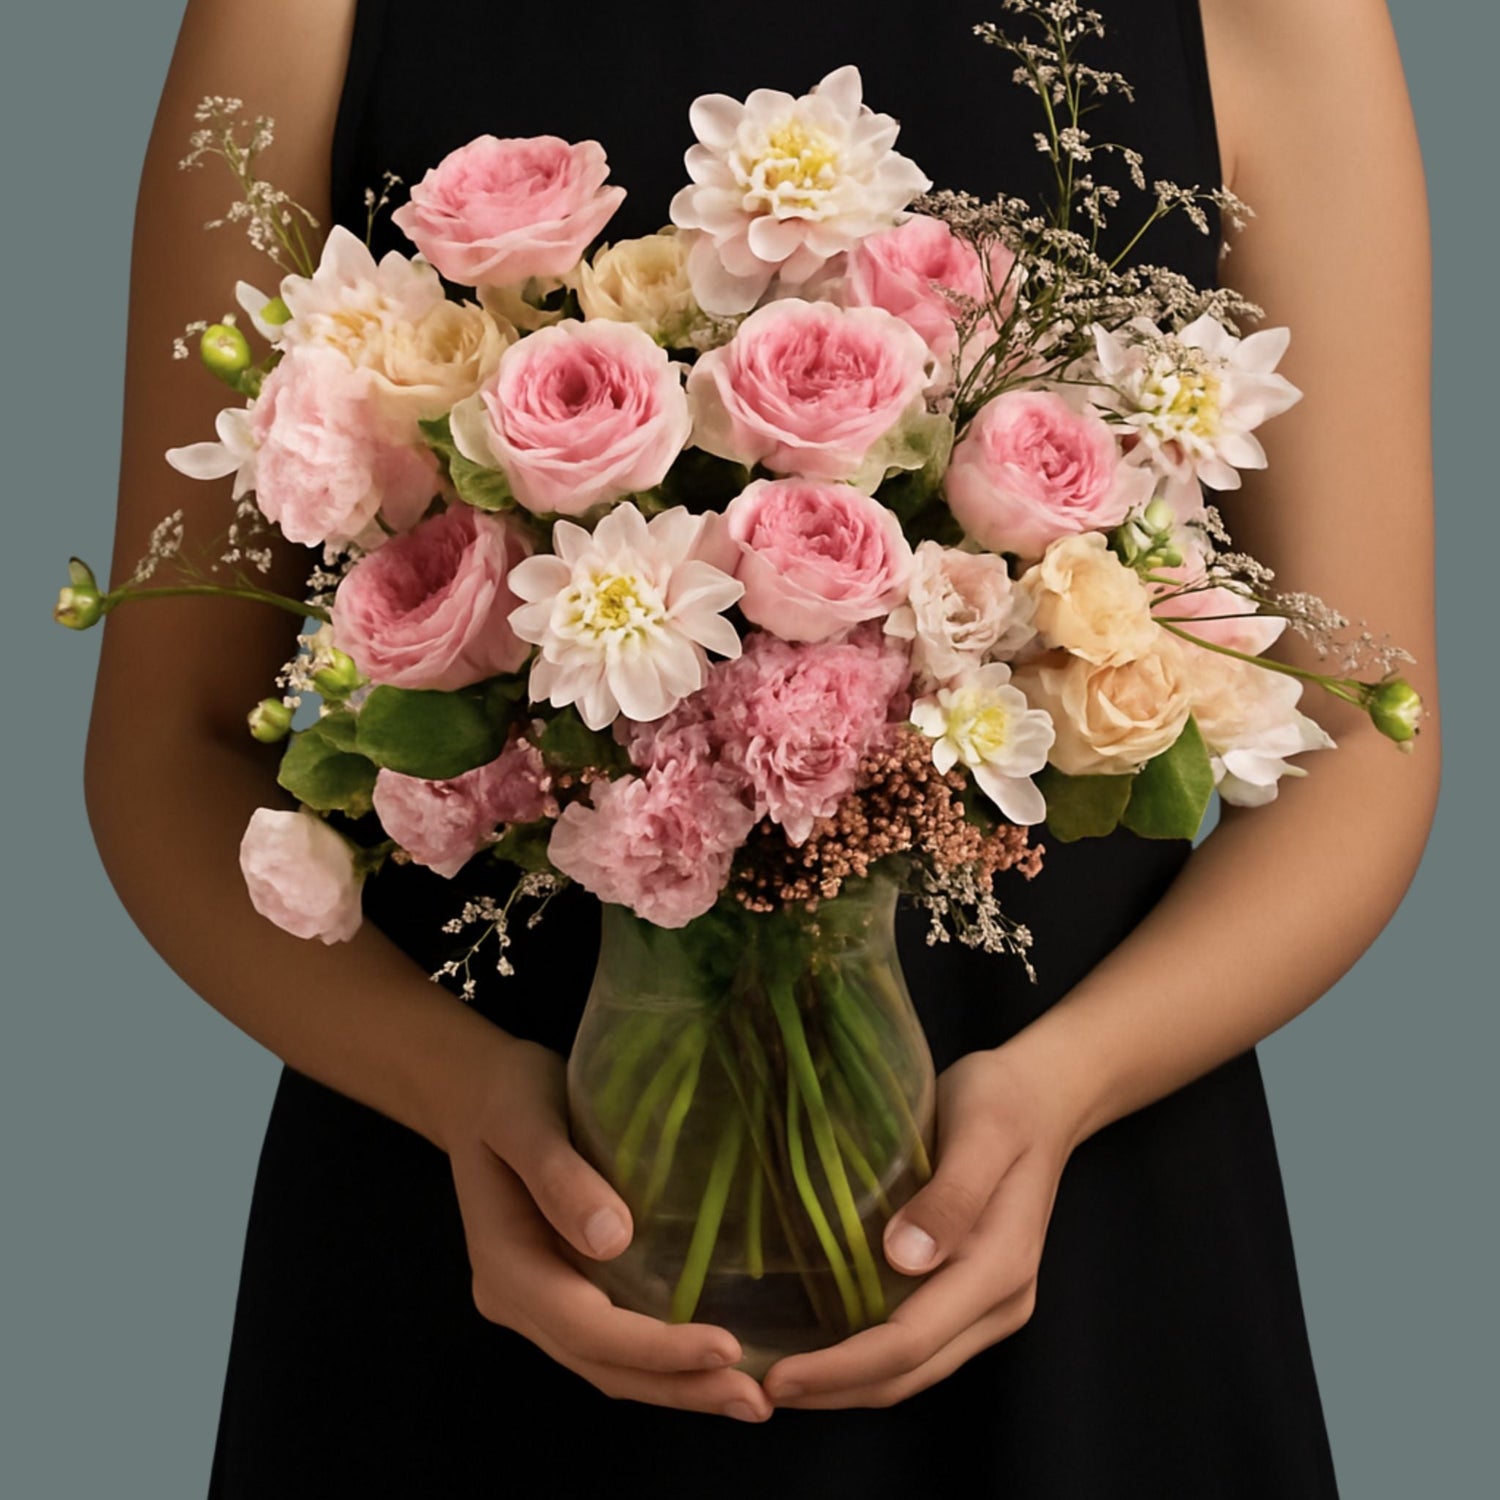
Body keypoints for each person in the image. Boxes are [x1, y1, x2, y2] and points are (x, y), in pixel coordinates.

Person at [84, 0, 1439, 1494]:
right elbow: (174, 746)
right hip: (460, 1249)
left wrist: (1066, 1091)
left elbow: (1361, 738)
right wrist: (461, 1098)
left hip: (1084, 1259)